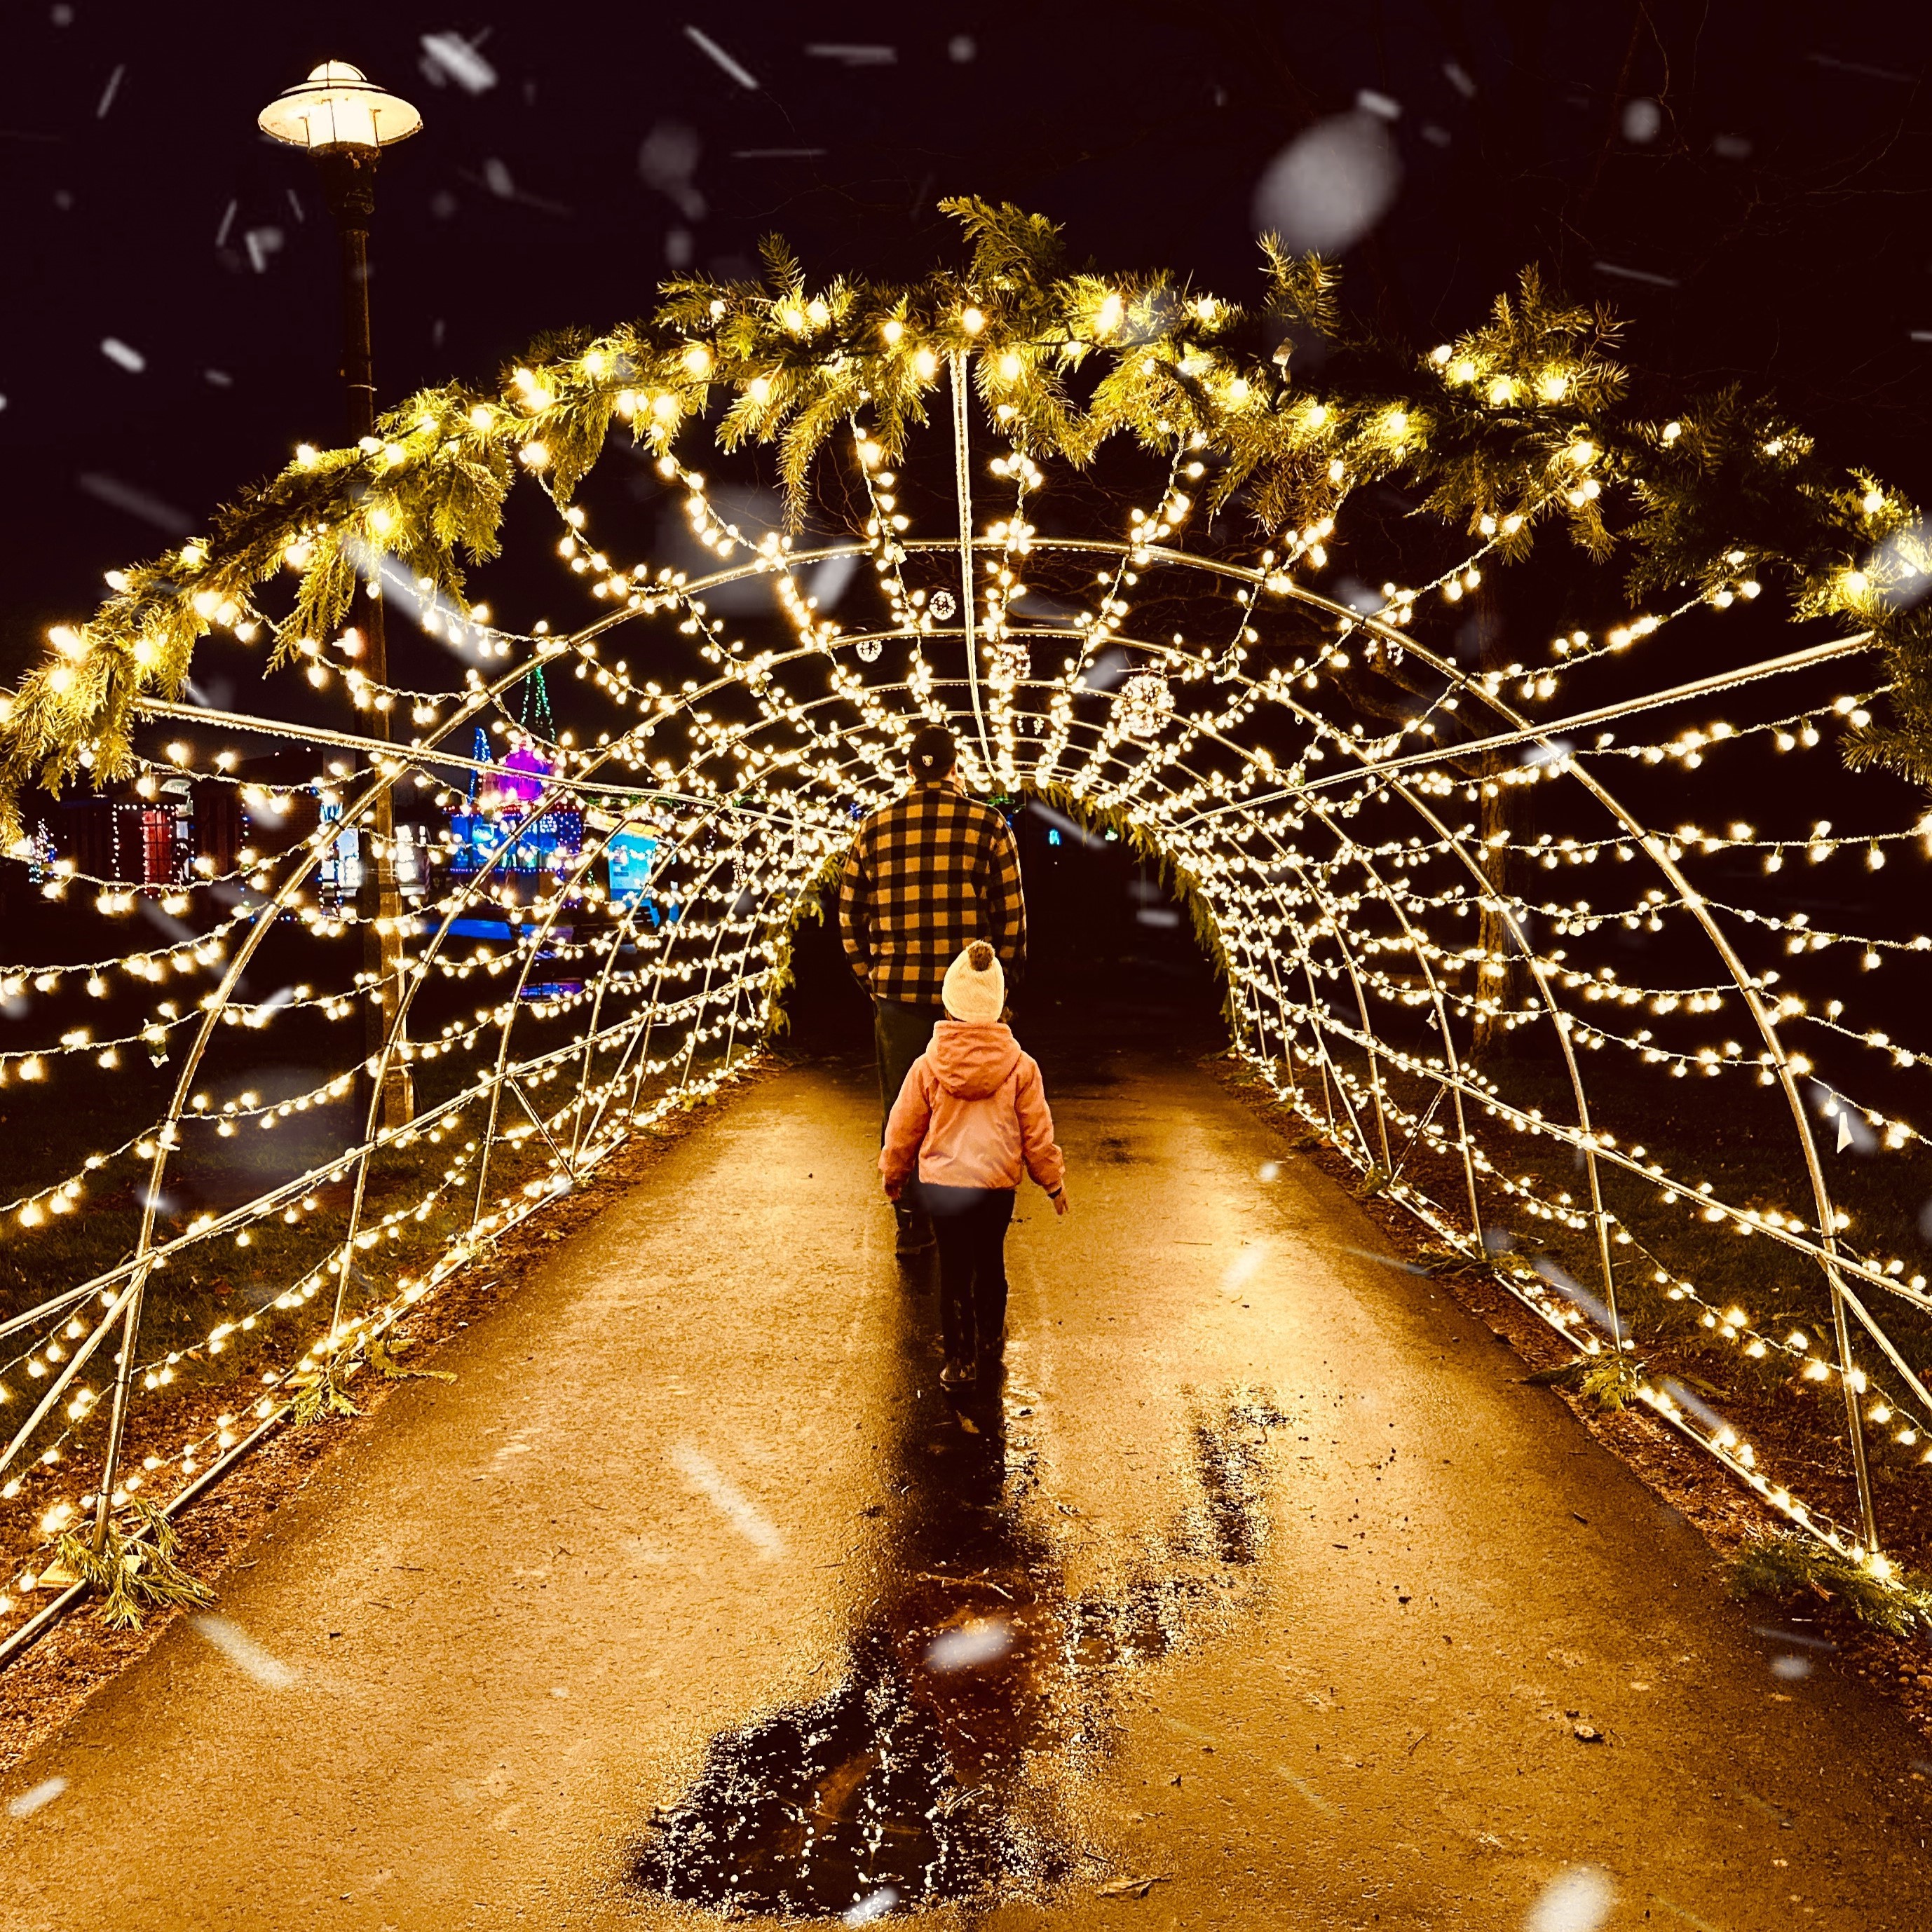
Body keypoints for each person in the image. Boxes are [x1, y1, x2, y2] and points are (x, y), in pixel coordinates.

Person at [838, 723, 1028, 1255]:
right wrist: (1000, 989)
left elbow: (850, 915)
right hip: (971, 1003)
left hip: (898, 993)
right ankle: (967, 1220)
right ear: (954, 766)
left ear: (907, 770)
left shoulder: (874, 829)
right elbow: (1011, 919)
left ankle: (912, 1221)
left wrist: (872, 978)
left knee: (905, 1109)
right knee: (976, 1108)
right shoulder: (988, 825)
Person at [878, 941, 1068, 1389]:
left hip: (943, 1190)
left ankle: (959, 1360)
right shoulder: (1021, 1068)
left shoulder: (928, 1066)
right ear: (999, 1002)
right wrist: (1053, 1182)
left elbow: (903, 1127)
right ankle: (989, 1341)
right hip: (994, 1190)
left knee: (955, 1269)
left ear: (950, 1001)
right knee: (991, 1261)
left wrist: (894, 1174)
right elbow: (1037, 1133)